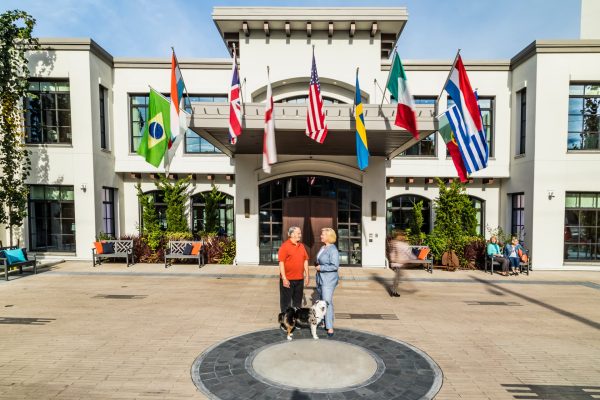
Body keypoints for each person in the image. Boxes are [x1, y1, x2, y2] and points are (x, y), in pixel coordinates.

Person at [278, 226, 309, 314]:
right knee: (286, 304)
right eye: (298, 233)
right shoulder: (284, 246)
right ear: (291, 234)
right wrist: (284, 278)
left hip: (299, 279)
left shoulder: (301, 246)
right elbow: (281, 263)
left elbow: (305, 260)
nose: (300, 235)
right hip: (288, 280)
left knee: (297, 303)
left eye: (300, 233)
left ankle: (296, 322)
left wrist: (307, 275)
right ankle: (285, 323)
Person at [315, 227, 339, 337]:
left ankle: (329, 327)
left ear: (329, 237)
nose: (321, 236)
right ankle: (325, 321)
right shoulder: (323, 247)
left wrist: (322, 268)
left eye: (323, 235)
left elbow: (335, 266)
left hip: (329, 280)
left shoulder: (333, 250)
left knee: (327, 302)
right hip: (320, 278)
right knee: (322, 301)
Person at [388, 231, 415, 297]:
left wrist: (392, 260)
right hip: (398, 263)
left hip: (396, 263)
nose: (404, 237)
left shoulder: (394, 242)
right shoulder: (401, 244)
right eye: (403, 236)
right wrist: (415, 258)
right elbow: (408, 253)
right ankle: (393, 291)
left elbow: (391, 253)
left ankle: (393, 291)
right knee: (397, 278)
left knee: (397, 278)